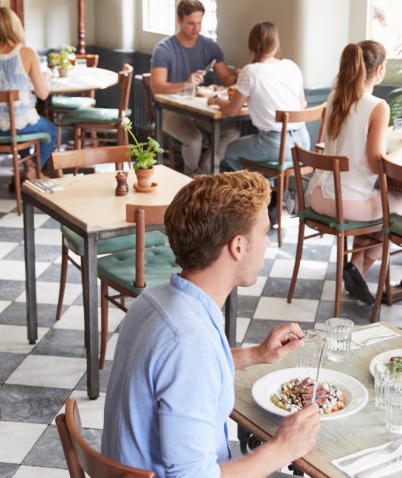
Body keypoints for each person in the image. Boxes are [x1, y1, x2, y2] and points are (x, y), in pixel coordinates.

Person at [102, 171, 320, 476]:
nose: (267, 245)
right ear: (239, 246)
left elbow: (179, 375)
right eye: (264, 233)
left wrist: (257, 354)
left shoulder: (155, 299)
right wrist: (282, 447)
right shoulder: (189, 341)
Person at [307, 40, 402, 306]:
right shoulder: (377, 106)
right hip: (346, 203)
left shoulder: (336, 97)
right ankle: (359, 265)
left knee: (380, 203)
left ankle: (355, 265)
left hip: (318, 193)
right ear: (379, 69)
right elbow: (375, 163)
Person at [150, 0, 240, 175]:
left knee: (231, 133)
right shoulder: (164, 49)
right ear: (179, 20)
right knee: (194, 139)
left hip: (200, 110)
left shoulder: (209, 46)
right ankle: (189, 180)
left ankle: (203, 172)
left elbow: (226, 77)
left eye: (199, 23)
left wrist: (241, 76)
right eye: (191, 23)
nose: (196, 28)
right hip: (170, 111)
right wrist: (186, 84)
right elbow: (157, 87)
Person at [0, 7, 57, 167]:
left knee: (27, 125)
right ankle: (32, 169)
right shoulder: (27, 53)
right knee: (51, 131)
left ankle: (25, 169)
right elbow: (43, 94)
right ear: (16, 25)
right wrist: (45, 78)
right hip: (20, 127)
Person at [222, 22, 310, 173]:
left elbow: (231, 111)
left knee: (229, 151)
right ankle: (274, 190)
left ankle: (260, 190)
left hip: (274, 145)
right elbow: (302, 105)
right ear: (276, 44)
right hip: (303, 143)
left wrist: (216, 101)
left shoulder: (250, 71)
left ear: (251, 45)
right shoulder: (291, 66)